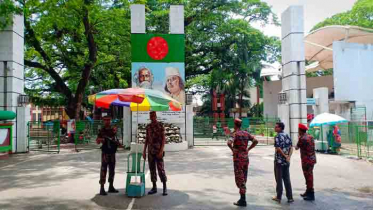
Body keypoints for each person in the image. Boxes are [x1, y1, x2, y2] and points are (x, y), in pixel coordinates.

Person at [227, 118, 259, 207]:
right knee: (244, 177)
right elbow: (256, 141)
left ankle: (243, 200)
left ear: (235, 124)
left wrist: (233, 150)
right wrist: (248, 149)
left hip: (238, 158)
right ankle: (242, 198)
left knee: (239, 178)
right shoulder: (246, 133)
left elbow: (229, 143)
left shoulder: (234, 134)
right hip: (245, 158)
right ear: (240, 125)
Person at [143, 111, 168, 196]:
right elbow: (146, 139)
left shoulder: (160, 125)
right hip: (150, 152)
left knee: (161, 169)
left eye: (153, 116)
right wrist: (144, 151)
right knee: (152, 169)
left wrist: (161, 150)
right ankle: (154, 187)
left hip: (158, 151)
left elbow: (163, 139)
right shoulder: (148, 127)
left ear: (156, 116)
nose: (152, 117)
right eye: (151, 116)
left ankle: (165, 187)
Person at [96, 116, 122, 196]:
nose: (107, 121)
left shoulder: (113, 130)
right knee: (103, 170)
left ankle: (111, 186)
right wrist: (101, 140)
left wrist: (118, 144)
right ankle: (102, 188)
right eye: (106, 120)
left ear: (110, 121)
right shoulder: (102, 130)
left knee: (112, 170)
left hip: (112, 153)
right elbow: (97, 141)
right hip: (105, 153)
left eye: (108, 120)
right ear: (104, 121)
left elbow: (116, 139)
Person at [272, 122, 294, 203]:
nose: (275, 128)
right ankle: (290, 197)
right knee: (287, 179)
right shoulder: (287, 135)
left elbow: (278, 148)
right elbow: (291, 147)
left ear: (280, 128)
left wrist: (285, 156)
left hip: (279, 161)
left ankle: (278, 197)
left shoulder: (277, 136)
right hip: (286, 162)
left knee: (279, 179)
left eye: (276, 127)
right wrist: (288, 157)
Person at [296, 123, 317, 201]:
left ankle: (311, 194)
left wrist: (299, 139)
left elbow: (296, 147)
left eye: (298, 130)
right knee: (309, 176)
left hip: (306, 161)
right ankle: (308, 191)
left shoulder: (302, 138)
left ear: (300, 130)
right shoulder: (310, 137)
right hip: (312, 159)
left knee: (308, 177)